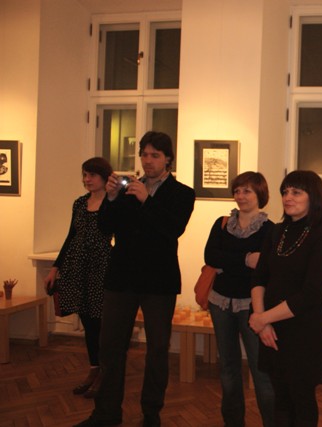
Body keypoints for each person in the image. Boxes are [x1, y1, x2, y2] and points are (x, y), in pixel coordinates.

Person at [74, 131, 195, 427]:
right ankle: (106, 412)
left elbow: (172, 229)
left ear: (168, 159)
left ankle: (151, 414)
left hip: (159, 281)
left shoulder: (182, 193)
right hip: (122, 278)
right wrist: (111, 198)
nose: (147, 160)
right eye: (144, 154)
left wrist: (146, 200)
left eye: (155, 155)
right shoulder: (127, 190)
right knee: (110, 347)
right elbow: (106, 227)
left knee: (157, 350)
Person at [249, 170, 322, 427]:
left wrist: (262, 318)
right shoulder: (276, 232)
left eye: (296, 192)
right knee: (280, 400)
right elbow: (258, 279)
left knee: (301, 399)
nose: (288, 197)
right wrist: (262, 322)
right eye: (285, 192)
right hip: (272, 329)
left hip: (303, 331)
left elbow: (310, 294)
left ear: (314, 197)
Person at [203, 171, 275, 427]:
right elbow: (211, 257)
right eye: (237, 191)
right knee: (227, 368)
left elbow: (264, 268)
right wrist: (245, 259)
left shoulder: (270, 230)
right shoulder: (222, 223)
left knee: (261, 370)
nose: (241, 196)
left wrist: (229, 261)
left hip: (252, 306)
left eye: (247, 191)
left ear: (260, 194)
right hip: (220, 302)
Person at [43, 157, 113, 398]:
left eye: (92, 175)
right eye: (84, 175)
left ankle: (104, 372)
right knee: (87, 322)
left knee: (100, 322)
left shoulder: (112, 203)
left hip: (100, 268)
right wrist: (55, 268)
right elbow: (71, 236)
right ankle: (93, 369)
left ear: (104, 177)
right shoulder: (80, 203)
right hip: (76, 267)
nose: (87, 179)